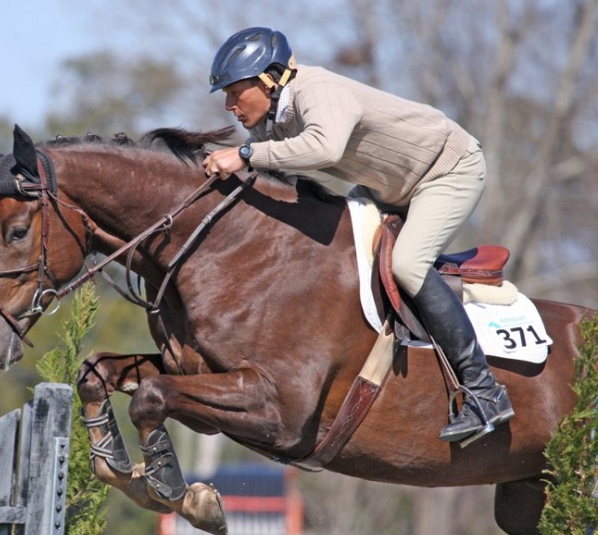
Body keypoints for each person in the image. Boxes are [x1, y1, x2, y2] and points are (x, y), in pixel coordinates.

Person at [202, 27, 514, 443]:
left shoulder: (318, 90)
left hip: (445, 172)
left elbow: (324, 149)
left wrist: (242, 155)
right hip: (386, 187)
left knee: (406, 263)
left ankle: (484, 390)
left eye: (235, 93)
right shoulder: (269, 124)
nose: (229, 106)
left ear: (269, 80)